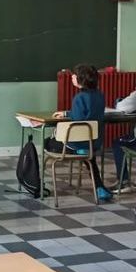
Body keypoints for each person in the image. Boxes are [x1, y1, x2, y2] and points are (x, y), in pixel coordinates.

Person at [48, 64, 111, 202]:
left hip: (76, 144)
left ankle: (38, 186)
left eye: (74, 75)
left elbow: (76, 121)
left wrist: (64, 118)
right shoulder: (100, 95)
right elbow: (86, 116)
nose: (72, 77)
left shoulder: (79, 98)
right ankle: (99, 187)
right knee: (89, 157)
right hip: (92, 142)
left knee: (48, 142)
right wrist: (66, 113)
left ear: (81, 79)